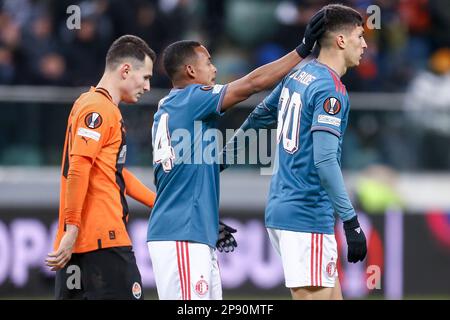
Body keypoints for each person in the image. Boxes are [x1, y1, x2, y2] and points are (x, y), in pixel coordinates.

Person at [147, 11, 326, 300]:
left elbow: (206, 165)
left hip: (191, 229)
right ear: (191, 71)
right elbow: (251, 84)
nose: (215, 69)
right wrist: (302, 50)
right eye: (208, 63)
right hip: (182, 233)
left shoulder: (173, 108)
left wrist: (207, 219)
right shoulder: (191, 99)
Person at [221, 4, 368, 300]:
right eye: (360, 36)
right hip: (307, 215)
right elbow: (325, 161)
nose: (364, 44)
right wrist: (351, 221)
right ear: (341, 41)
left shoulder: (300, 74)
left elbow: (260, 116)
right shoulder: (330, 90)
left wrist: (221, 160)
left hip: (282, 209)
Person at [45, 35, 157, 300]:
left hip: (81, 245)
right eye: (146, 77)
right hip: (103, 241)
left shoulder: (90, 103)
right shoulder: (99, 108)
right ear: (126, 70)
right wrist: (72, 229)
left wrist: (160, 202)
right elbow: (78, 169)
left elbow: (111, 174)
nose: (148, 86)